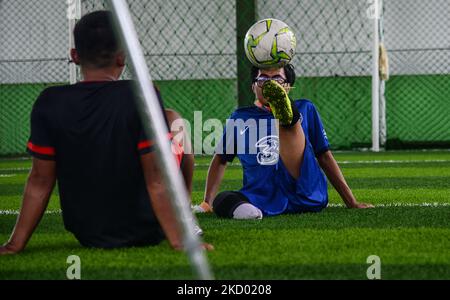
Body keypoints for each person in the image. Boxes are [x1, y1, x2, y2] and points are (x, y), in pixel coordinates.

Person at [0, 10, 211, 254]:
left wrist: (14, 245)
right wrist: (179, 241)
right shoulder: (141, 94)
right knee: (175, 121)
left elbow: (40, 180)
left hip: (87, 232)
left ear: (74, 56)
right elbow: (156, 179)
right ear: (122, 58)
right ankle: (185, 217)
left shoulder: (49, 101)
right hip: (147, 228)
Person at [195, 63, 373, 219]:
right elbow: (220, 159)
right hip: (260, 198)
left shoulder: (307, 109)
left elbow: (324, 156)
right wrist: (207, 203)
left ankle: (285, 115)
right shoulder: (240, 118)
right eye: (263, 79)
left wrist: (351, 201)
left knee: (290, 121)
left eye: (277, 79)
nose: (269, 83)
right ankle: (249, 213)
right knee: (224, 200)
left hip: (304, 191)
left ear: (288, 87)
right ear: (253, 87)